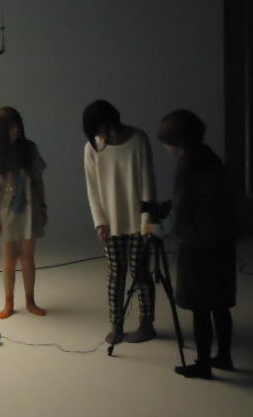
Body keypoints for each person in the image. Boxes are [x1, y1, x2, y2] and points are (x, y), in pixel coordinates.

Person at [151, 110, 236, 380]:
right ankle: (224, 356)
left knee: (200, 308)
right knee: (220, 305)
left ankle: (203, 364)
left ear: (176, 142)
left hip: (197, 248)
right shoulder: (210, 157)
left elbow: (179, 215)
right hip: (222, 243)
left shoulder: (186, 167)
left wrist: (157, 230)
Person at [83, 100, 157, 344]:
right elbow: (93, 189)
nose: (100, 135)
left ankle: (147, 323)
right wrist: (100, 222)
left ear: (112, 121)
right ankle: (116, 324)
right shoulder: (92, 148)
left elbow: (148, 182)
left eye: (101, 129)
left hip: (139, 222)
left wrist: (147, 222)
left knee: (140, 272)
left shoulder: (138, 140)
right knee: (116, 274)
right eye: (96, 131)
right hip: (110, 224)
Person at [0, 107, 48, 319]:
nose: (16, 130)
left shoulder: (29, 149)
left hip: (29, 210)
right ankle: (8, 302)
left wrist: (43, 207)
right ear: (1, 129)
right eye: (10, 127)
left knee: (27, 257)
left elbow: (38, 181)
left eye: (17, 125)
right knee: (8, 259)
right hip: (4, 213)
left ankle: (30, 301)